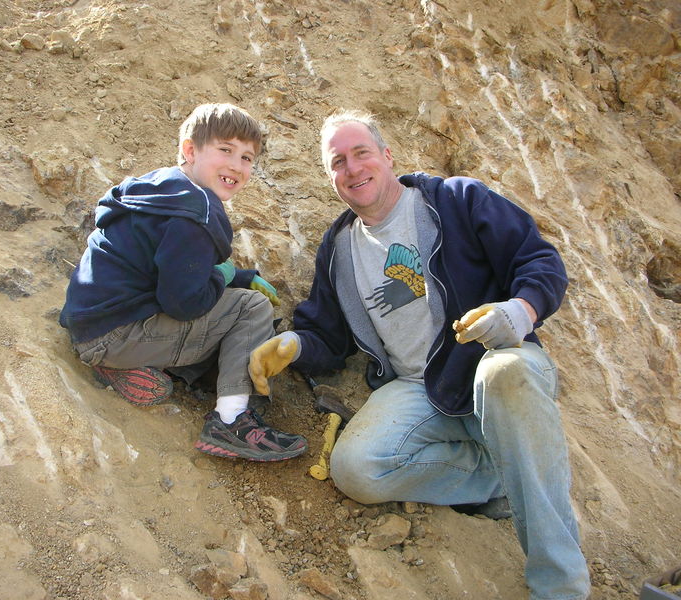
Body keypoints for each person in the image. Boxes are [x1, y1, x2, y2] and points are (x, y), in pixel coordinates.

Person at [249, 110, 590, 598]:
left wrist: (518, 312)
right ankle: (496, 477)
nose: (352, 168)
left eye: (361, 153)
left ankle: (561, 587)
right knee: (356, 469)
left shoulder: (456, 200)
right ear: (331, 178)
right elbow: (329, 336)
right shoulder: (340, 247)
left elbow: (538, 260)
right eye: (337, 162)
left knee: (509, 371)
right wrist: (295, 344)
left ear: (387, 156)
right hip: (417, 387)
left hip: (491, 364)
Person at [59, 103, 307, 462]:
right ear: (190, 150)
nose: (237, 166)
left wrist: (235, 276)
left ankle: (126, 366)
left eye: (247, 158)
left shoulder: (162, 189)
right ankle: (231, 421)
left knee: (227, 299)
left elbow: (167, 267)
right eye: (225, 150)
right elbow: (185, 304)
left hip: (92, 323)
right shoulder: (196, 213)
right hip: (117, 335)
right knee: (251, 308)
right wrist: (223, 276)